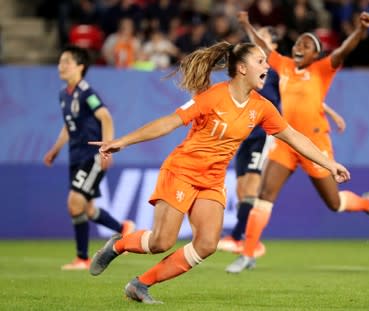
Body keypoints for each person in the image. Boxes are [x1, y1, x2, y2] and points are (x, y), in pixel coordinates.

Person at [87, 41, 350, 304]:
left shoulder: (262, 107)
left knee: (207, 244)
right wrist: (123, 141)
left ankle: (140, 284)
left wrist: (329, 164)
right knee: (161, 242)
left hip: (212, 180)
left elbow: (293, 136)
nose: (267, 67)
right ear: (242, 68)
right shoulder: (214, 96)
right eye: (260, 61)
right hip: (182, 171)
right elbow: (169, 122)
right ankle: (118, 245)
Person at [225, 11, 369, 274]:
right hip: (287, 143)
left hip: (316, 146)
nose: (300, 47)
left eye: (307, 45)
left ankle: (367, 203)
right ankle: (249, 253)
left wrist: (359, 31)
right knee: (265, 195)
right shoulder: (285, 65)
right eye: (298, 43)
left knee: (335, 204)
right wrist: (245, 25)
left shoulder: (323, 69)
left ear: (316, 55)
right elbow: (263, 47)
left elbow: (344, 50)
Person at [43, 45, 135, 270]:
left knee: (74, 204)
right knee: (88, 208)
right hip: (75, 156)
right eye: (60, 61)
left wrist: (107, 148)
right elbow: (68, 126)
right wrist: (55, 150)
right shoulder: (64, 95)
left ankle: (82, 258)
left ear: (80, 67)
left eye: (67, 62)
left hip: (90, 156)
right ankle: (123, 229)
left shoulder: (87, 93)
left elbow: (106, 117)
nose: (61, 66)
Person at [217, 26, 282, 258]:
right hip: (244, 133)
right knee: (241, 187)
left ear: (273, 44)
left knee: (252, 185)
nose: (256, 37)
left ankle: (238, 238)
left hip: (262, 133)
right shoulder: (255, 66)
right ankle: (246, 238)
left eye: (263, 35)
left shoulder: (275, 68)